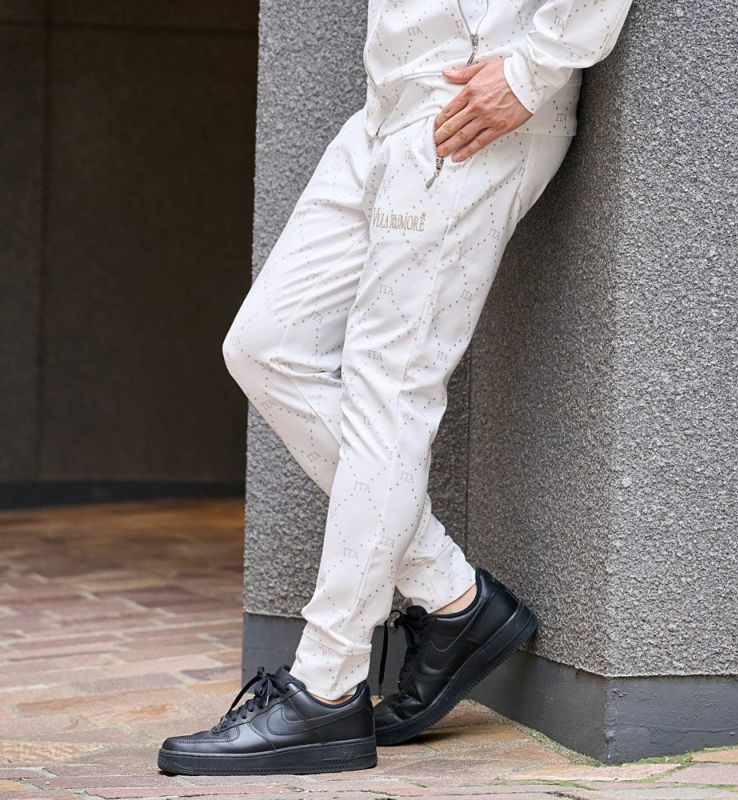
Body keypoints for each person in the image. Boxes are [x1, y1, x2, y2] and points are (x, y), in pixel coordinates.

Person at [158, 0, 633, 777]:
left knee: (392, 390)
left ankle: (326, 686)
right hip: (386, 105)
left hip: (470, 102)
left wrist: (531, 70)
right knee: (267, 347)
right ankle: (452, 595)